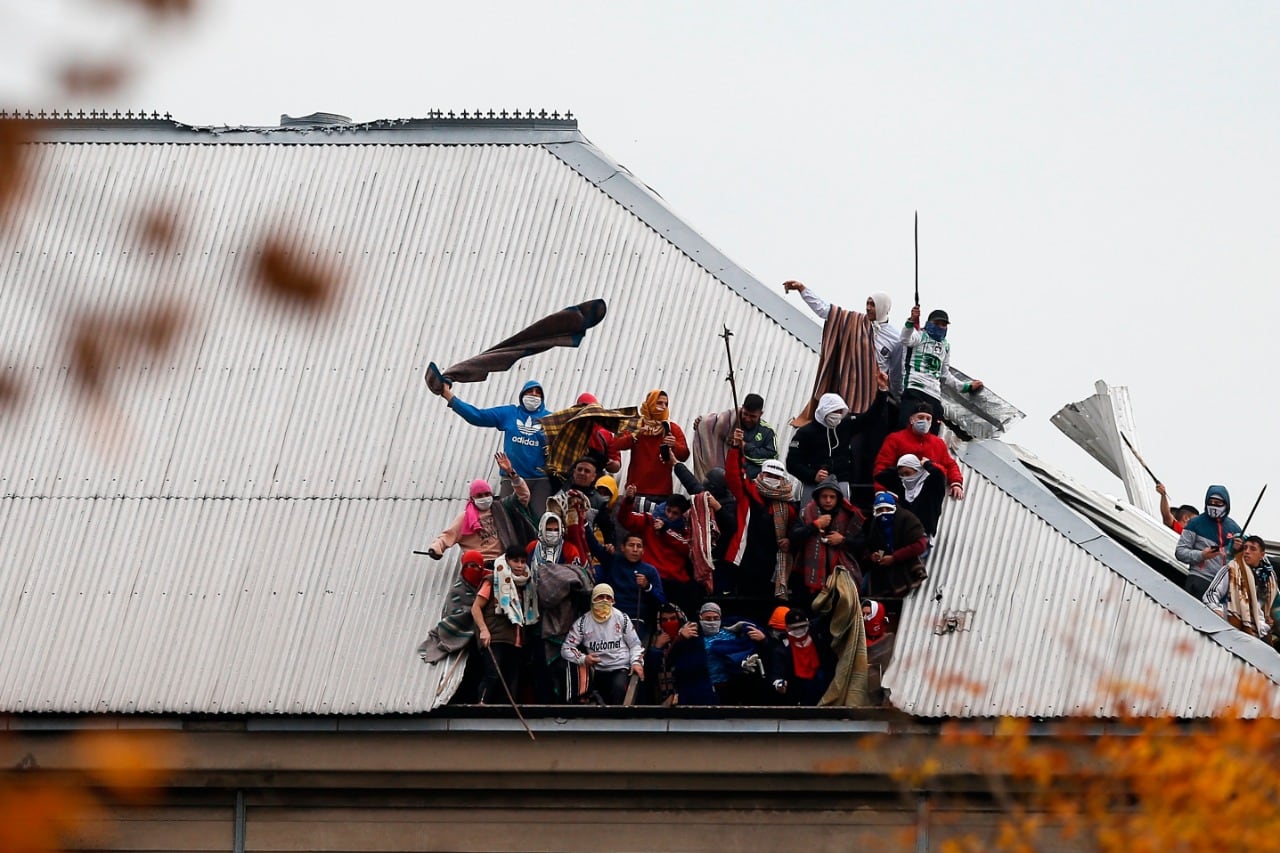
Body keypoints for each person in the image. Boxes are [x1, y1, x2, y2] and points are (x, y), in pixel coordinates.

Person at [784, 281, 905, 407]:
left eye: (873, 305)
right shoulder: (855, 322)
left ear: (883, 307)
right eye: (867, 303)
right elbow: (825, 311)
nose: (868, 308)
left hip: (873, 395)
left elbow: (896, 372)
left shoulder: (895, 338)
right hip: (848, 390)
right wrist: (802, 289)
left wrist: (898, 398)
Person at [439, 378, 552, 512]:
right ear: (522, 395)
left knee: (540, 523)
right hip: (511, 478)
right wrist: (449, 396)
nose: (533, 394)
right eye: (529, 391)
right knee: (508, 521)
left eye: (537, 392)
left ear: (542, 398)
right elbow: (478, 416)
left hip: (540, 481)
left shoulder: (550, 419)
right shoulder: (510, 413)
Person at [725, 437, 799, 614]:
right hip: (746, 562)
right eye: (769, 475)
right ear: (761, 474)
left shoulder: (789, 506)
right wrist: (736, 449)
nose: (772, 479)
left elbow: (796, 532)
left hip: (774, 566)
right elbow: (734, 476)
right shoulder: (748, 495)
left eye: (776, 477)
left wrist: (790, 540)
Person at [786, 382, 889, 508]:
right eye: (834, 411)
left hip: (840, 483)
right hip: (813, 484)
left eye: (840, 411)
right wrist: (812, 475)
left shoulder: (845, 425)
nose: (837, 414)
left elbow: (871, 417)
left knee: (842, 519)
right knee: (809, 520)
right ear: (824, 410)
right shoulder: (805, 433)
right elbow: (792, 464)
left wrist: (882, 391)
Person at [426, 452, 536, 563]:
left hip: (505, 562)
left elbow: (523, 496)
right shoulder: (465, 518)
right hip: (481, 565)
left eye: (487, 494)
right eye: (479, 495)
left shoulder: (502, 508)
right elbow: (446, 537)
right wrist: (436, 548)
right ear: (472, 498)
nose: (484, 498)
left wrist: (511, 473)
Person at [470, 546, 538, 704]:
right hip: (495, 637)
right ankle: (481, 705)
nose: (520, 565)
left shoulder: (526, 585)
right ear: (507, 561)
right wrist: (483, 630)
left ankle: (505, 713)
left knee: (510, 679)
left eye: (522, 561)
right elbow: (476, 608)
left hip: (515, 639)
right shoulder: (493, 580)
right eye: (515, 561)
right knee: (492, 673)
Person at [899, 307, 982, 433]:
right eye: (936, 323)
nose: (940, 327)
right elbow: (904, 339)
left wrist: (966, 387)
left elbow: (945, 375)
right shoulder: (919, 335)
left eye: (943, 324)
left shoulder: (945, 346)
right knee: (903, 426)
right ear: (929, 323)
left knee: (932, 434)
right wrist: (911, 320)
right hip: (914, 388)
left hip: (934, 394)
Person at [618, 485, 699, 614]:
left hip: (676, 582)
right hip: (651, 578)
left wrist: (665, 530)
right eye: (668, 510)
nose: (670, 515)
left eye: (675, 513)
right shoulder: (649, 520)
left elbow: (687, 548)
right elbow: (624, 520)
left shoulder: (687, 530)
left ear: (682, 515)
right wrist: (628, 501)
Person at [561, 584, 645, 705]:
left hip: (620, 667)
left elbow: (635, 645)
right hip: (597, 670)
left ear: (613, 600)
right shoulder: (582, 623)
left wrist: (636, 662)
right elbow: (566, 648)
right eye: (600, 597)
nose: (604, 600)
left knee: (618, 689)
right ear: (593, 599)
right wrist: (584, 659)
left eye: (608, 597)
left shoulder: (622, 618)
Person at [789, 475, 865, 608]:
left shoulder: (849, 515)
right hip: (808, 576)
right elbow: (794, 536)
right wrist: (815, 525)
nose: (828, 500)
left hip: (840, 577)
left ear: (838, 498)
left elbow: (862, 543)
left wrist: (842, 540)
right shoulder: (806, 513)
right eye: (824, 496)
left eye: (832, 497)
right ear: (818, 497)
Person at [873, 405, 965, 504]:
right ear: (912, 419)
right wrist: (880, 491)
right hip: (899, 495)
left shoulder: (938, 443)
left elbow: (950, 465)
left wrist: (956, 483)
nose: (925, 421)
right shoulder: (895, 439)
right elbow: (882, 465)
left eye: (928, 418)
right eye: (920, 417)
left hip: (926, 500)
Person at [609, 389, 689, 499]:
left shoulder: (671, 428)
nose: (664, 406)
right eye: (659, 403)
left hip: (661, 493)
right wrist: (635, 436)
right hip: (635, 490)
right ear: (650, 403)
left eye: (666, 404)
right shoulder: (636, 424)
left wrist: (674, 444)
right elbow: (616, 444)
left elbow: (684, 455)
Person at [587, 531, 666, 641]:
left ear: (643, 551)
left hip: (636, 620)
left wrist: (647, 586)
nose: (635, 549)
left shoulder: (650, 571)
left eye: (639, 546)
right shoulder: (613, 561)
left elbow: (661, 601)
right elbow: (594, 546)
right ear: (622, 548)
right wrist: (583, 522)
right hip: (610, 617)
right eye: (631, 545)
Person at [1202, 535, 1278, 641]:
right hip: (1231, 625)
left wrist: (1270, 622)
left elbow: (1273, 608)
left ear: (1262, 555)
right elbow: (1210, 594)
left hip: (1259, 633)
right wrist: (1217, 610)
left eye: (1252, 549)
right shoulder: (1231, 569)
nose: (1247, 551)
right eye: (1245, 547)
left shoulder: (1270, 579)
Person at [690, 393, 779, 480]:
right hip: (722, 480)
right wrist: (701, 423)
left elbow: (772, 458)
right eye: (745, 414)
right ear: (742, 407)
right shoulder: (731, 421)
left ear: (761, 414)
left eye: (752, 416)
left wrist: (745, 446)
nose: (747, 419)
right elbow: (713, 425)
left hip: (748, 483)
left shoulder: (767, 432)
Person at [1176, 486, 1243, 600]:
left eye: (1217, 503)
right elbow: (1180, 552)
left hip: (1222, 587)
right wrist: (1202, 555)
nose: (1213, 506)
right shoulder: (1195, 523)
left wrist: (1238, 549)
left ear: (1226, 504)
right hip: (1199, 579)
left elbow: (1240, 561)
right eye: (1210, 502)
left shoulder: (1234, 528)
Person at [696, 602, 768, 705]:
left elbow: (745, 648)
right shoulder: (695, 637)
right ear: (700, 618)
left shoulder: (730, 634)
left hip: (729, 687)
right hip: (704, 687)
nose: (712, 622)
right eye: (708, 619)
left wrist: (763, 639)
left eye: (715, 618)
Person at [861, 492, 928, 599]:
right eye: (880, 510)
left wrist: (895, 557)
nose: (884, 513)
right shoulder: (873, 525)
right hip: (883, 567)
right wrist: (872, 556)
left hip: (907, 562)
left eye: (887, 509)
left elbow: (920, 545)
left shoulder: (907, 519)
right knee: (862, 587)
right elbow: (868, 547)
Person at [647, 603, 716, 706]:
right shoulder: (655, 639)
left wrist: (679, 639)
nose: (669, 622)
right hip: (665, 700)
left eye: (673, 618)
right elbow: (650, 671)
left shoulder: (692, 633)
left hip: (696, 696)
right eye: (664, 620)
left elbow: (692, 665)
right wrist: (656, 649)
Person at [766, 608, 831, 706]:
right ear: (787, 629)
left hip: (822, 688)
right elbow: (777, 672)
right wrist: (778, 683)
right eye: (794, 628)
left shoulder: (816, 637)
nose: (799, 630)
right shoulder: (782, 650)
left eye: (802, 626)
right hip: (797, 692)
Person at [874, 453, 948, 540]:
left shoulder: (931, 486)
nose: (905, 477)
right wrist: (900, 465)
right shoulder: (903, 487)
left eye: (907, 473)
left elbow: (938, 475)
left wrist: (927, 464)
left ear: (917, 469)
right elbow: (880, 477)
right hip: (904, 534)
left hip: (922, 536)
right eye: (902, 475)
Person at [573, 392, 622, 474]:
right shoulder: (570, 429)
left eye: (589, 408)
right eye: (583, 408)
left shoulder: (604, 433)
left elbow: (615, 465)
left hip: (595, 475)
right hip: (571, 474)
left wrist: (613, 464)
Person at [863, 599, 895, 706]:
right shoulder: (858, 642)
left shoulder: (890, 640)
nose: (865, 618)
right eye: (863, 614)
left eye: (868, 614)